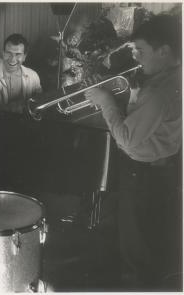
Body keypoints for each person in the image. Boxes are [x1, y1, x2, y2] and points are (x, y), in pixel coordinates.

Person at [84, 14, 182, 290]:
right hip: (163, 172)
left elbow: (126, 138)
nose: (136, 57)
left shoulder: (160, 91)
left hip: (142, 175)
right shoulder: (170, 77)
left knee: (136, 249)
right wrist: (127, 92)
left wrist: (104, 100)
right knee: (153, 243)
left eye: (141, 51)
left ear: (164, 51)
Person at [0, 33, 42, 114]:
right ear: (3, 53)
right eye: (9, 53)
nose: (12, 59)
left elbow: (39, 103)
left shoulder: (33, 75)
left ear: (24, 57)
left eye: (18, 54)